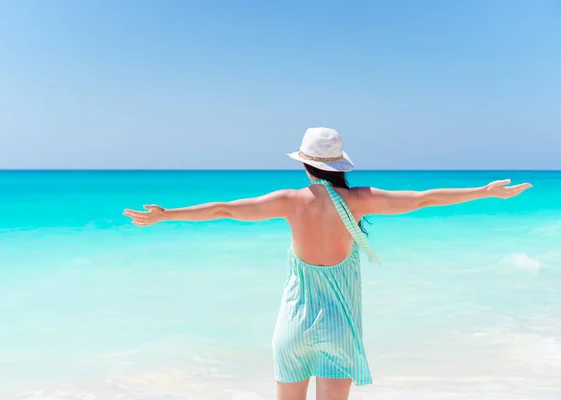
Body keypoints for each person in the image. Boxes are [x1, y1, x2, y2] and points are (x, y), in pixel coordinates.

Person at [123, 127, 532, 400]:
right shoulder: (360, 200)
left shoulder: (289, 201)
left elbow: (227, 211)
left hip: (293, 328)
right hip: (339, 329)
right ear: (339, 165)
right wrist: (485, 191)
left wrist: (168, 214)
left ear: (304, 164)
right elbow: (424, 197)